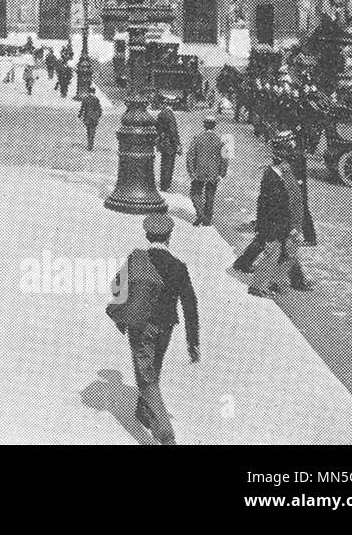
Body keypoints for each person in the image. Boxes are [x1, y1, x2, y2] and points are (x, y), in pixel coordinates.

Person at [111, 213, 199, 446]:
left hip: (142, 328)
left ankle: (165, 435)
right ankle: (143, 410)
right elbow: (190, 303)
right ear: (169, 236)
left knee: (146, 379)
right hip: (166, 328)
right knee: (152, 367)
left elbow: (116, 286)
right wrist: (193, 342)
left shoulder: (136, 259)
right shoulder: (179, 267)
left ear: (147, 235)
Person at [233, 131, 315, 295]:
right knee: (278, 252)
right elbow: (279, 203)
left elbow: (295, 197)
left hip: (283, 222)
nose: (293, 149)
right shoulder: (277, 173)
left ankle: (274, 281)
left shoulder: (283, 169)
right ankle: (263, 284)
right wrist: (290, 226)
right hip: (280, 223)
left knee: (286, 252)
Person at [186, 115, 228, 226]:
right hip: (214, 173)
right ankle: (207, 220)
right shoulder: (220, 140)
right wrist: (222, 174)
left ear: (204, 125)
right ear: (214, 126)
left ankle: (200, 215)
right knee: (210, 195)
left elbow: (190, 156)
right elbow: (225, 158)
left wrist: (191, 172)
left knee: (195, 193)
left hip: (199, 171)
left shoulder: (198, 138)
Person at [154, 99, 182, 192]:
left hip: (163, 143)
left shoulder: (161, 113)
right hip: (170, 143)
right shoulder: (169, 114)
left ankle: (163, 184)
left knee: (164, 163)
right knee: (169, 165)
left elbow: (157, 128)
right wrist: (177, 143)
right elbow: (173, 130)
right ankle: (166, 186)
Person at [78, 86, 103, 150]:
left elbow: (82, 108)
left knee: (88, 130)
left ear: (88, 92)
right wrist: (98, 116)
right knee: (93, 130)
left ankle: (89, 144)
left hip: (87, 117)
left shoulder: (85, 99)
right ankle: (91, 144)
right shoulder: (96, 99)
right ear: (94, 92)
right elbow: (99, 109)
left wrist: (80, 115)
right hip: (94, 117)